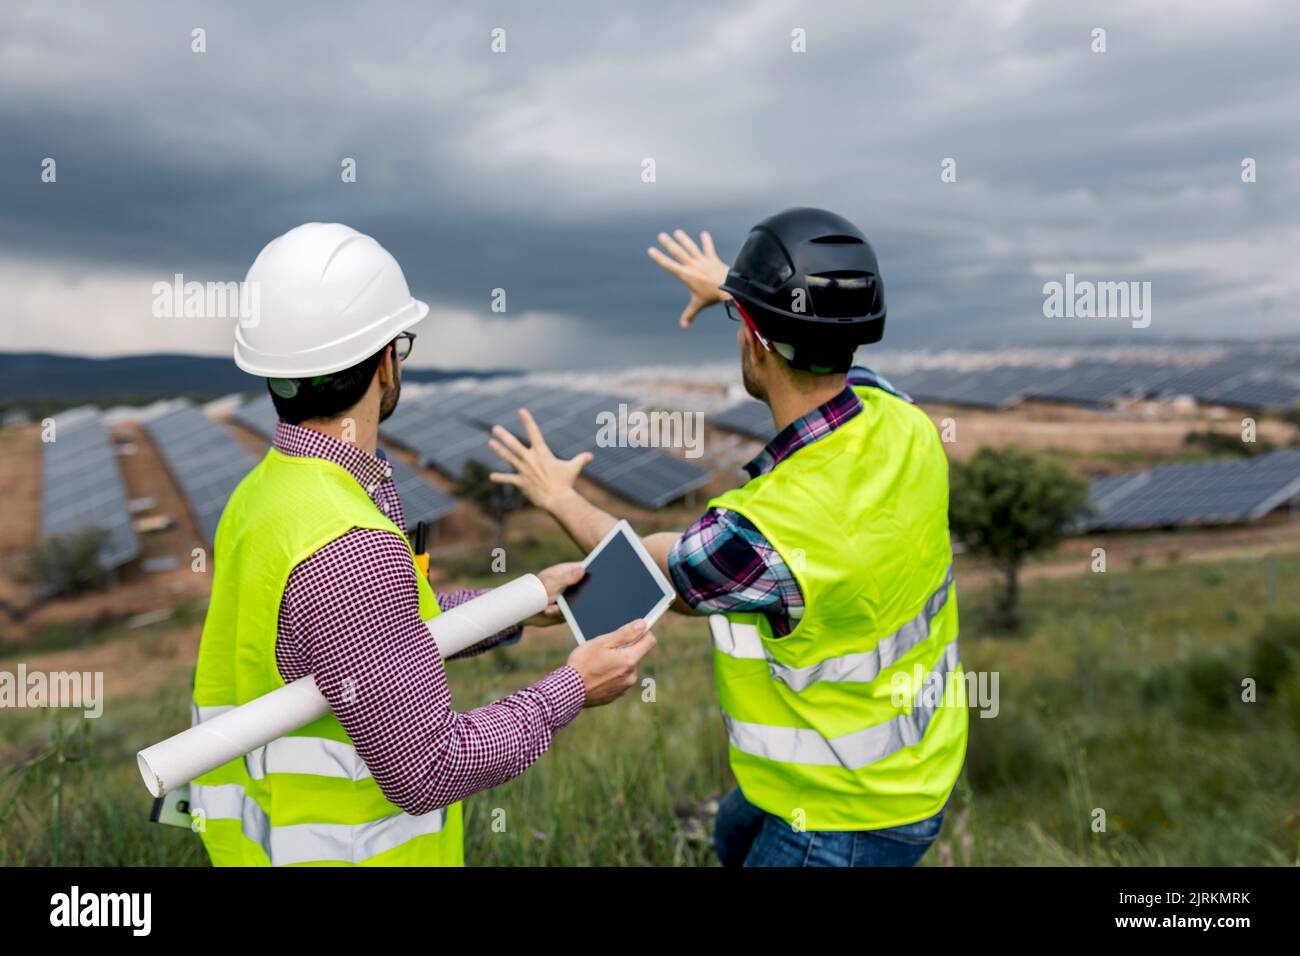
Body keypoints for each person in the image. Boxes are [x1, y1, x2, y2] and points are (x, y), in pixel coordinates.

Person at [488, 208, 967, 867]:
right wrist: (735, 290)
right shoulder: (906, 424)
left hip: (843, 817)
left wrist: (555, 494)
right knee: (731, 836)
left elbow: (649, 566)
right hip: (914, 763)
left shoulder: (762, 531)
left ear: (752, 340)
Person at [188, 222, 655, 866]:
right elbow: (428, 766)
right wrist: (571, 688)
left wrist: (520, 604)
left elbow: (380, 636)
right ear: (386, 361)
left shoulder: (264, 495)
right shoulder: (348, 540)